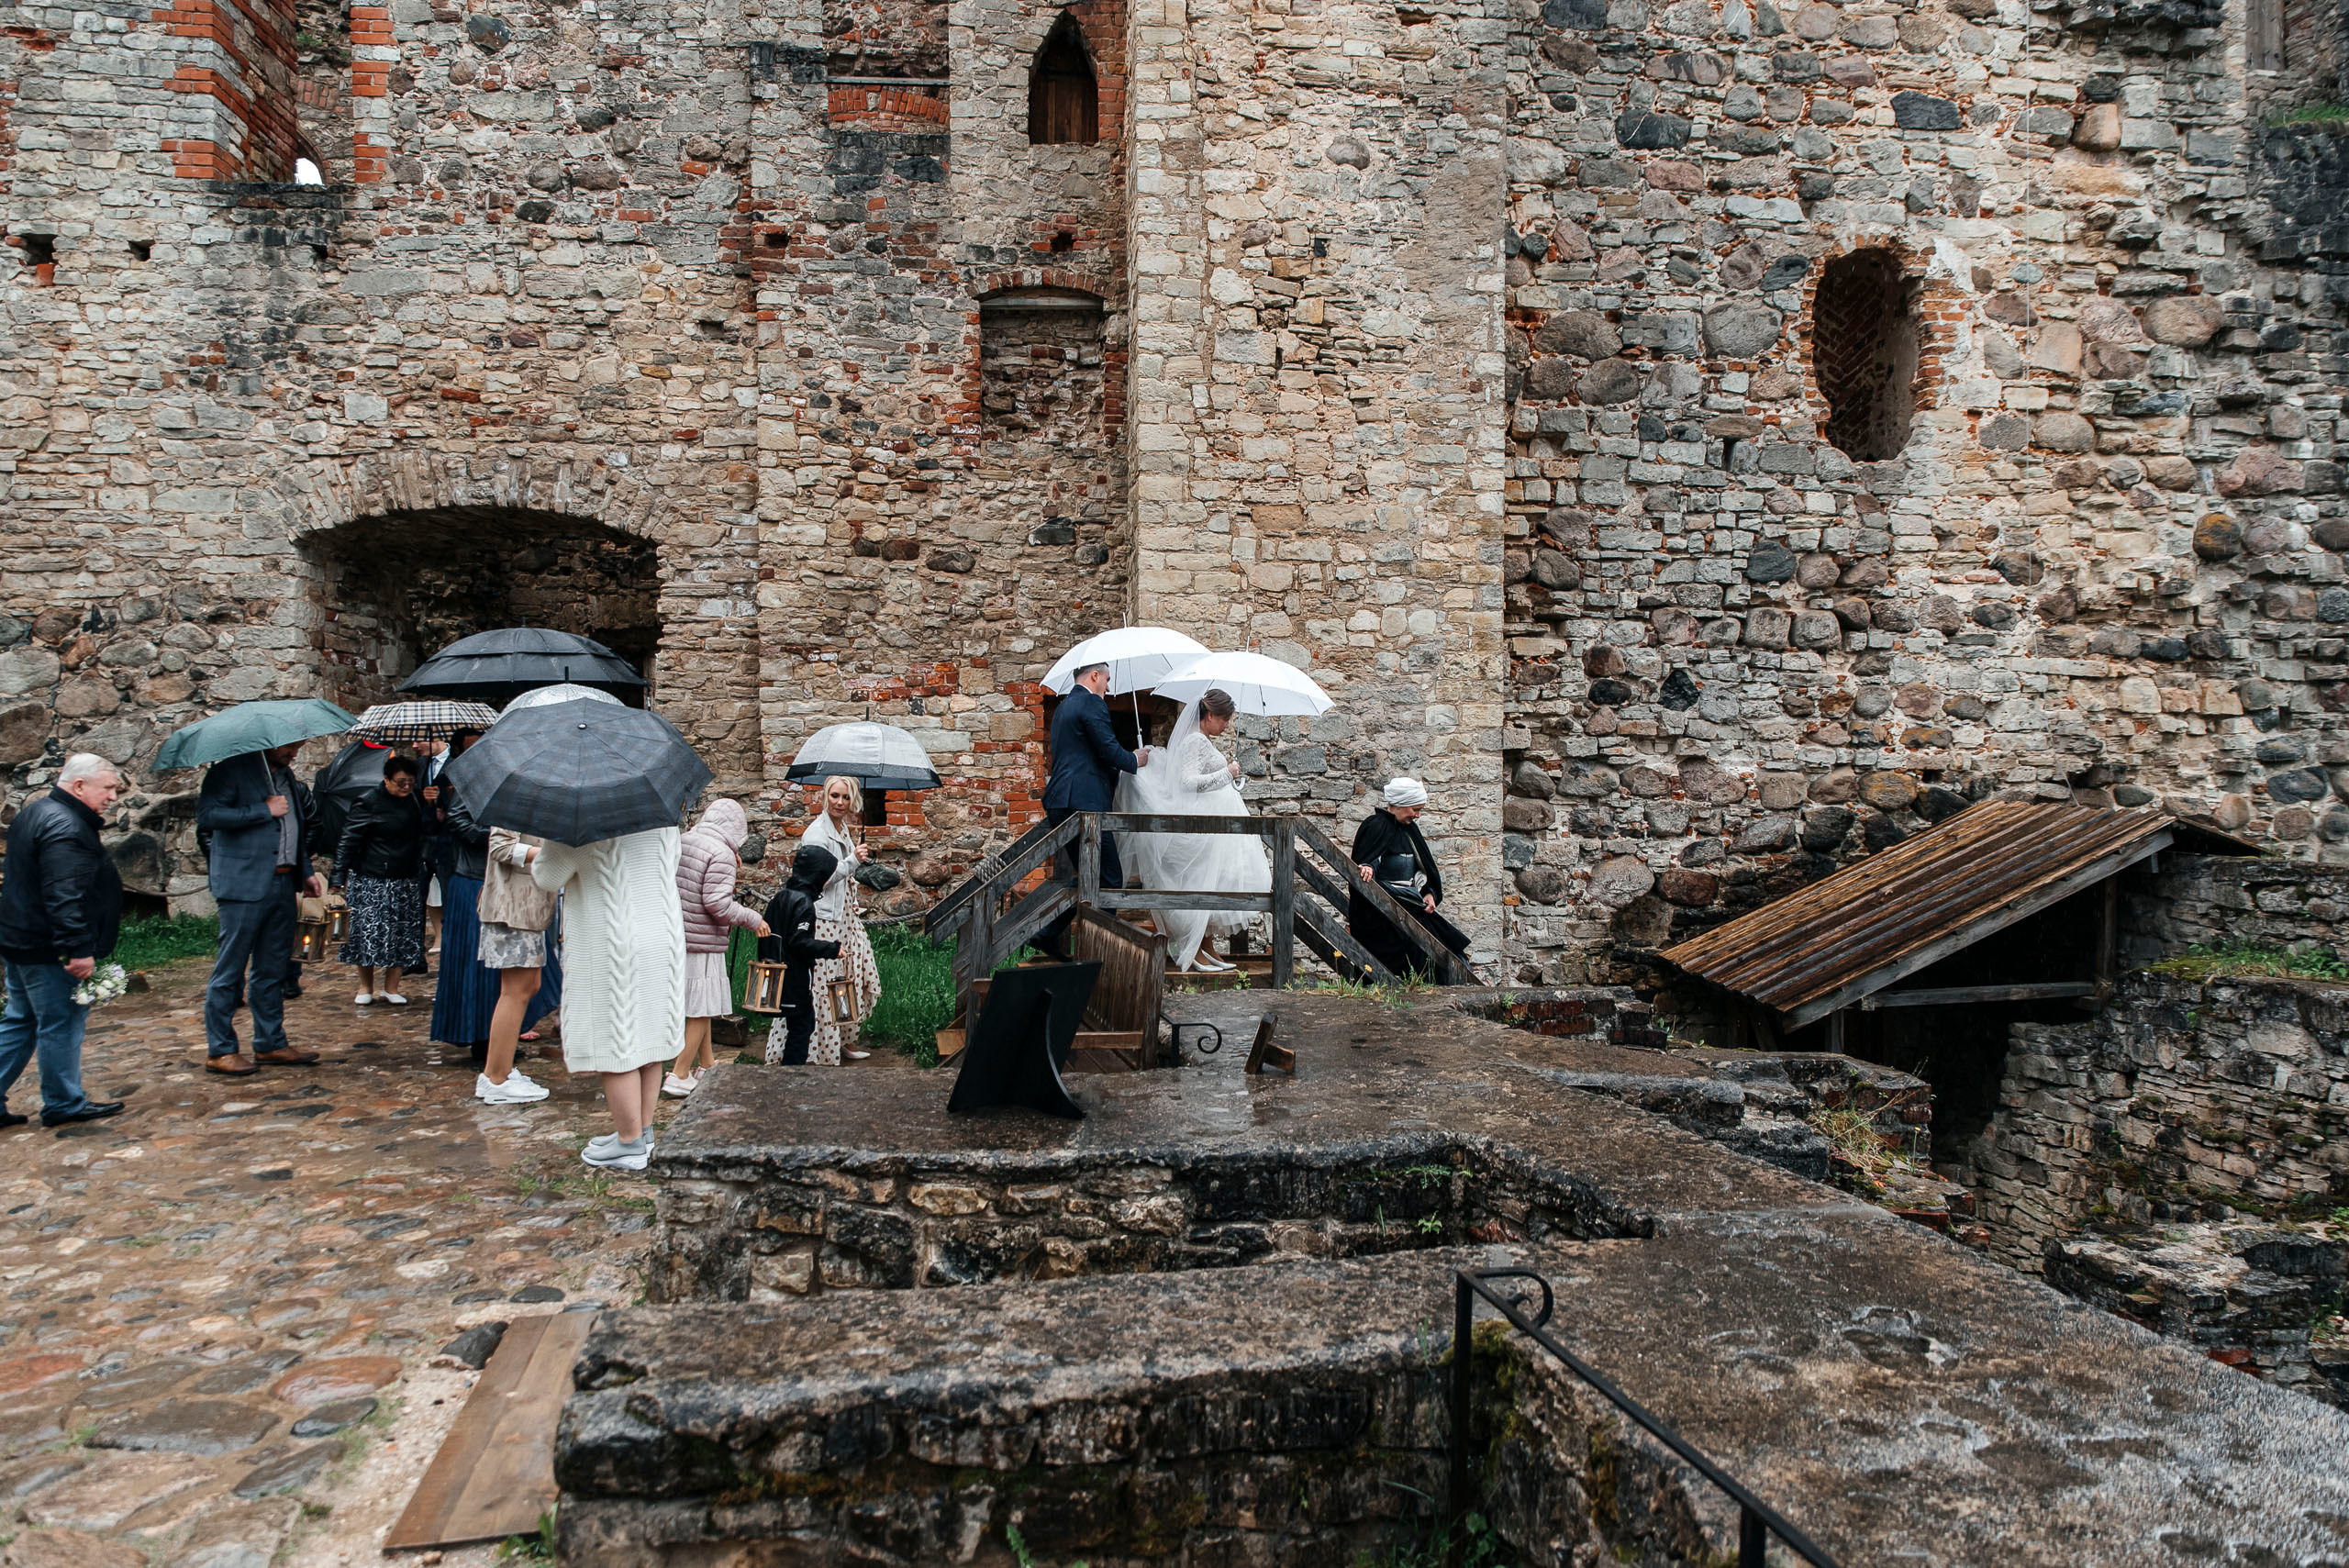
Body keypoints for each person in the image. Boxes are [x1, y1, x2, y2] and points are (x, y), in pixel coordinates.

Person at [530, 825, 685, 1172]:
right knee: (649, 1039)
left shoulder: (583, 820)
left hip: (613, 938)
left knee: (616, 1041)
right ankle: (642, 1132)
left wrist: (549, 839)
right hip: (661, 933)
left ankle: (629, 1141)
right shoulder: (661, 818)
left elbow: (546, 876)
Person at [0, 754, 128, 1127]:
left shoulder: (37, 811)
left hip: (20, 939)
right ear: (78, 786)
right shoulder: (67, 827)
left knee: (20, 1020)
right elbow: (63, 895)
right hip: (49, 948)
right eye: (108, 788)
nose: (113, 798)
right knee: (60, 1023)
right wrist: (77, 949)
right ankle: (64, 1104)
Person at [1116, 688, 1269, 972]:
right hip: (1203, 822)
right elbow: (1188, 782)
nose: (1226, 725)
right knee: (1201, 881)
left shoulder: (1202, 739)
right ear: (1209, 715)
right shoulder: (1195, 741)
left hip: (1216, 819)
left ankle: (1206, 944)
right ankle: (1193, 946)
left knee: (1215, 880)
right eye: (1223, 719)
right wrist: (1228, 773)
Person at [198, 741, 325, 1076]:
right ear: (269, 742)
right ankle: (220, 1049)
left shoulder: (286, 775)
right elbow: (209, 816)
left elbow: (294, 828)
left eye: (298, 747)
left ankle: (271, 1043)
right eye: (289, 747)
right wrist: (262, 810)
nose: (295, 752)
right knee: (231, 968)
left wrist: (306, 871)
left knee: (273, 969)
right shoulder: (229, 770)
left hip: (284, 882)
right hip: (242, 884)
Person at [1040, 662, 1148, 958]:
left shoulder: (1063, 708)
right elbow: (1108, 749)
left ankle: (1048, 932)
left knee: (1091, 875)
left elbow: (1085, 757)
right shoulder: (1092, 704)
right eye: (1108, 680)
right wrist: (1135, 759)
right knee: (1111, 878)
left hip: (1061, 801)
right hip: (1085, 807)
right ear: (1095, 676)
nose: (1109, 688)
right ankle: (1101, 954)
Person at [666, 799, 769, 1096]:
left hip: (682, 935)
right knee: (701, 1011)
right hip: (705, 941)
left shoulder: (686, 840)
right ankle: (679, 1072)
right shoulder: (721, 854)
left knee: (704, 1004)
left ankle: (707, 1064)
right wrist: (752, 919)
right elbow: (717, 904)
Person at [1348, 777, 1473, 980]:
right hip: (1383, 917)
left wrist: (1429, 893)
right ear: (1401, 805)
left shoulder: (1409, 830)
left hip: (1411, 906)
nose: (1418, 814)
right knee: (1420, 950)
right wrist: (1368, 867)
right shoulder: (1375, 826)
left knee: (1444, 945)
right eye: (1415, 809)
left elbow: (1422, 870)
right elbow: (1369, 860)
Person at [429, 728, 503, 1071]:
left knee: (492, 965)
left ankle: (491, 1037)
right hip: (471, 880)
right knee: (476, 963)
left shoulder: (491, 780)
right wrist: (500, 836)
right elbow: (460, 823)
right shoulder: (468, 782)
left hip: (487, 879)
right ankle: (480, 1038)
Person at [798, 776, 883, 1063]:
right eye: (834, 796)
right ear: (825, 796)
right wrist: (853, 861)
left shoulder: (842, 827)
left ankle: (844, 1039)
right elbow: (816, 879)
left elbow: (843, 880)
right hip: (824, 919)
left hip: (846, 916)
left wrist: (853, 899)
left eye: (845, 798)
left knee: (852, 977)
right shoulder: (816, 834)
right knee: (825, 985)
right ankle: (818, 1048)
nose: (839, 802)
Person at [332, 752, 428, 1005]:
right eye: (400, 782)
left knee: (401, 932)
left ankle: (392, 987)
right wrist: (338, 874)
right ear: (386, 780)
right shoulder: (368, 802)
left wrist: (432, 806)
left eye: (410, 782)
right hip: (372, 877)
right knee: (368, 933)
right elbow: (349, 839)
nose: (406, 787)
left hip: (405, 876)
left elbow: (426, 832)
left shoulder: (415, 801)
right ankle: (365, 987)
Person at [474, 824, 557, 1106]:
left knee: (528, 987)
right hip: (512, 908)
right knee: (515, 991)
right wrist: (547, 853)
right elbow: (500, 847)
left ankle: (502, 1070)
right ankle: (496, 1077)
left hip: (528, 910)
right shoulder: (515, 804)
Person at [758, 844, 842, 1067]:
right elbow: (799, 941)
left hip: (775, 974)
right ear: (816, 876)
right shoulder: (804, 904)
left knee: (796, 1025)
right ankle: (791, 1073)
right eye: (825, 877)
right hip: (794, 977)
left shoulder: (780, 897)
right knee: (803, 1026)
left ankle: (787, 1067)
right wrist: (832, 949)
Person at [417, 738, 450, 959]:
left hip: (447, 839)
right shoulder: (419, 765)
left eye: (419, 740)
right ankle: (414, 951)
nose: (414, 746)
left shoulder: (457, 762)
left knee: (447, 892)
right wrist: (425, 800)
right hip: (422, 839)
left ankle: (450, 939)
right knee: (419, 893)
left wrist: (442, 801)